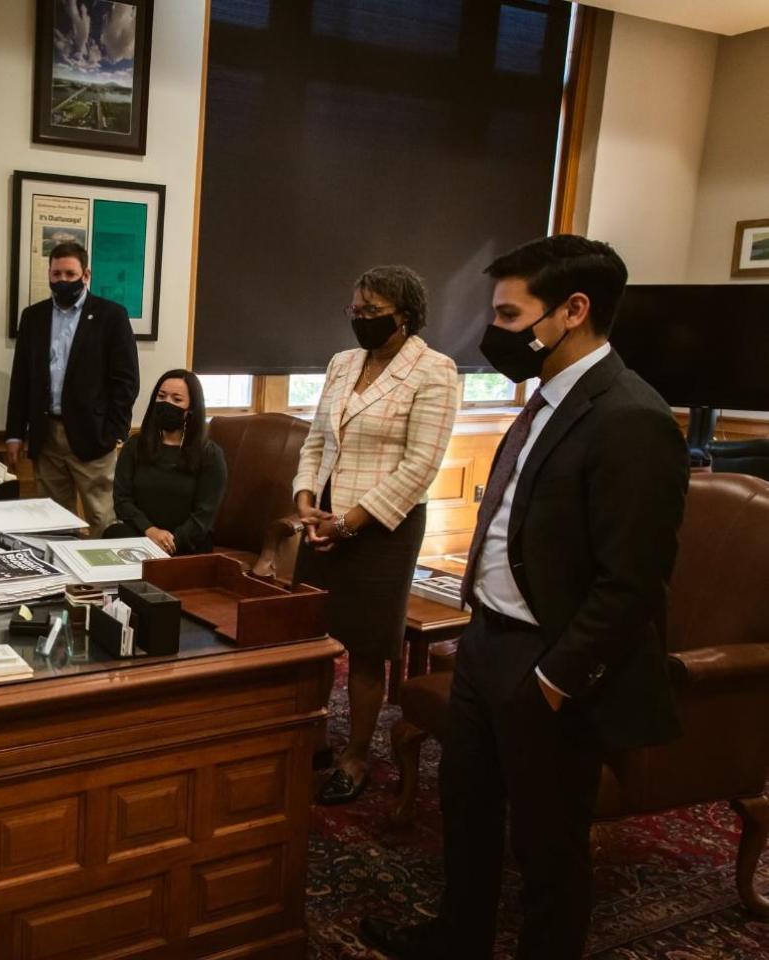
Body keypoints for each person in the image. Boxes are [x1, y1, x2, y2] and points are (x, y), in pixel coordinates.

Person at [360, 236, 688, 960]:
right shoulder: (542, 397)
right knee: (467, 812)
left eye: (511, 315)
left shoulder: (631, 417)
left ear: (573, 310)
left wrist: (554, 677)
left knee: (547, 844)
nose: (496, 330)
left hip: (548, 665)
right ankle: (459, 937)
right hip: (486, 644)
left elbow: (630, 582)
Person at [287, 265, 458, 805]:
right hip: (325, 519)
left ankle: (356, 757)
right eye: (354, 311)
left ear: (403, 316)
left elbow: (419, 466)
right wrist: (306, 503)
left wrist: (348, 522)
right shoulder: (343, 363)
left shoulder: (435, 371)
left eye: (371, 312)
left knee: (364, 648)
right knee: (309, 636)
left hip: (384, 527)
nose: (359, 320)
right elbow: (317, 442)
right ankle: (312, 736)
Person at [4, 241, 139, 534]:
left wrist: (116, 432)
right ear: (49, 275)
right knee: (51, 521)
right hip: (46, 435)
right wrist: (14, 433)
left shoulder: (111, 316)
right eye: (56, 274)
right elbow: (22, 379)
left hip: (93, 436)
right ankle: (60, 580)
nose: (63, 281)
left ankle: (104, 580)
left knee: (102, 518)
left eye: (70, 273)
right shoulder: (33, 317)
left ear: (86, 274)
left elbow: (126, 380)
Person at [104, 369, 227, 554]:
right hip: (143, 534)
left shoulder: (210, 455)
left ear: (191, 409)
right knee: (112, 533)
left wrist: (170, 541)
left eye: (177, 400)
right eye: (161, 396)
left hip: (186, 542)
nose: (166, 403)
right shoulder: (135, 446)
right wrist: (150, 531)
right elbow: (122, 500)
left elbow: (204, 515)